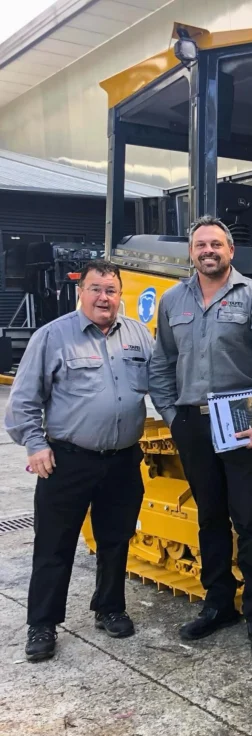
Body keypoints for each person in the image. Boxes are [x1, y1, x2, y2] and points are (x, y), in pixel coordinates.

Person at [149, 216, 252, 657]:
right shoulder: (173, 300)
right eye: (200, 245)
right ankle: (218, 605)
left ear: (230, 250)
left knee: (249, 521)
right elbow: (161, 362)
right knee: (209, 517)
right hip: (193, 423)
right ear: (191, 253)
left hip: (244, 424)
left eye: (216, 244)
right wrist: (172, 415)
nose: (207, 251)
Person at [5, 261, 153, 662]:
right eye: (95, 289)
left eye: (111, 290)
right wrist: (36, 446)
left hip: (123, 460)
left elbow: (161, 387)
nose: (103, 297)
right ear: (80, 292)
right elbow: (22, 402)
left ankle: (109, 608)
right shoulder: (52, 337)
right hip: (67, 460)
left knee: (115, 539)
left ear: (120, 295)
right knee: (55, 545)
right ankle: (42, 624)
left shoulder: (139, 335)